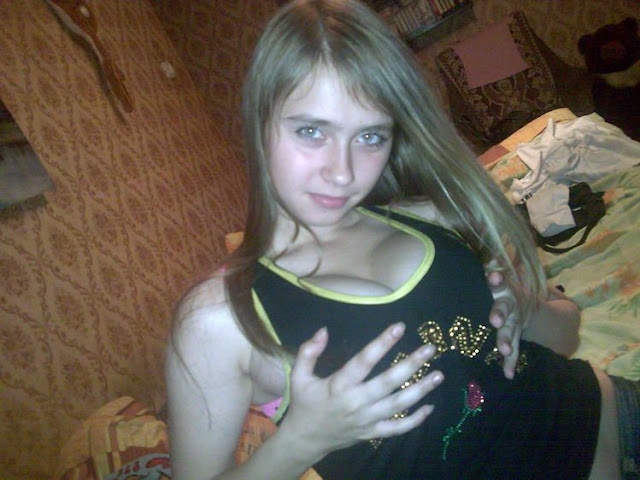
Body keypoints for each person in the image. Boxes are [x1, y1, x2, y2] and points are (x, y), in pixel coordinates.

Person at [166, 1, 635, 479]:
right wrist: (300, 442)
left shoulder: (429, 216)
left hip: (618, 413)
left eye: (370, 136)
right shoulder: (219, 321)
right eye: (311, 131)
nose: (343, 172)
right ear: (260, 121)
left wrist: (523, 309)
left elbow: (566, 334)